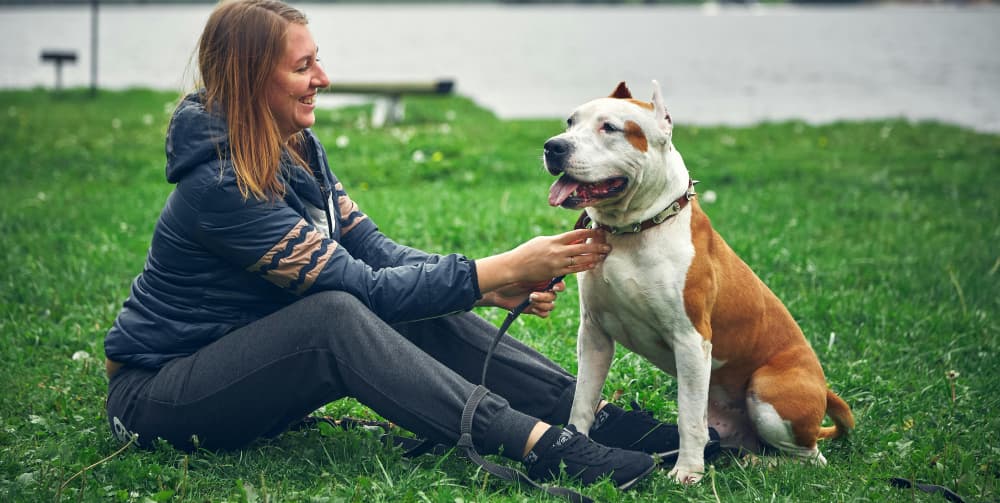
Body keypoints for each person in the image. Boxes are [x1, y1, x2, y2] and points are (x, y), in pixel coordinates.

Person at [104, 0, 707, 491]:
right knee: (336, 316)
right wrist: (499, 267)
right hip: (159, 397)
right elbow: (360, 289)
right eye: (302, 67)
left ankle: (587, 416)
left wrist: (488, 282)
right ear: (250, 77)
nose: (323, 79)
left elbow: (375, 252)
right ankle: (543, 445)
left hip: (245, 374)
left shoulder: (295, 148)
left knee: (395, 302)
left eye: (318, 61)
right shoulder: (218, 184)